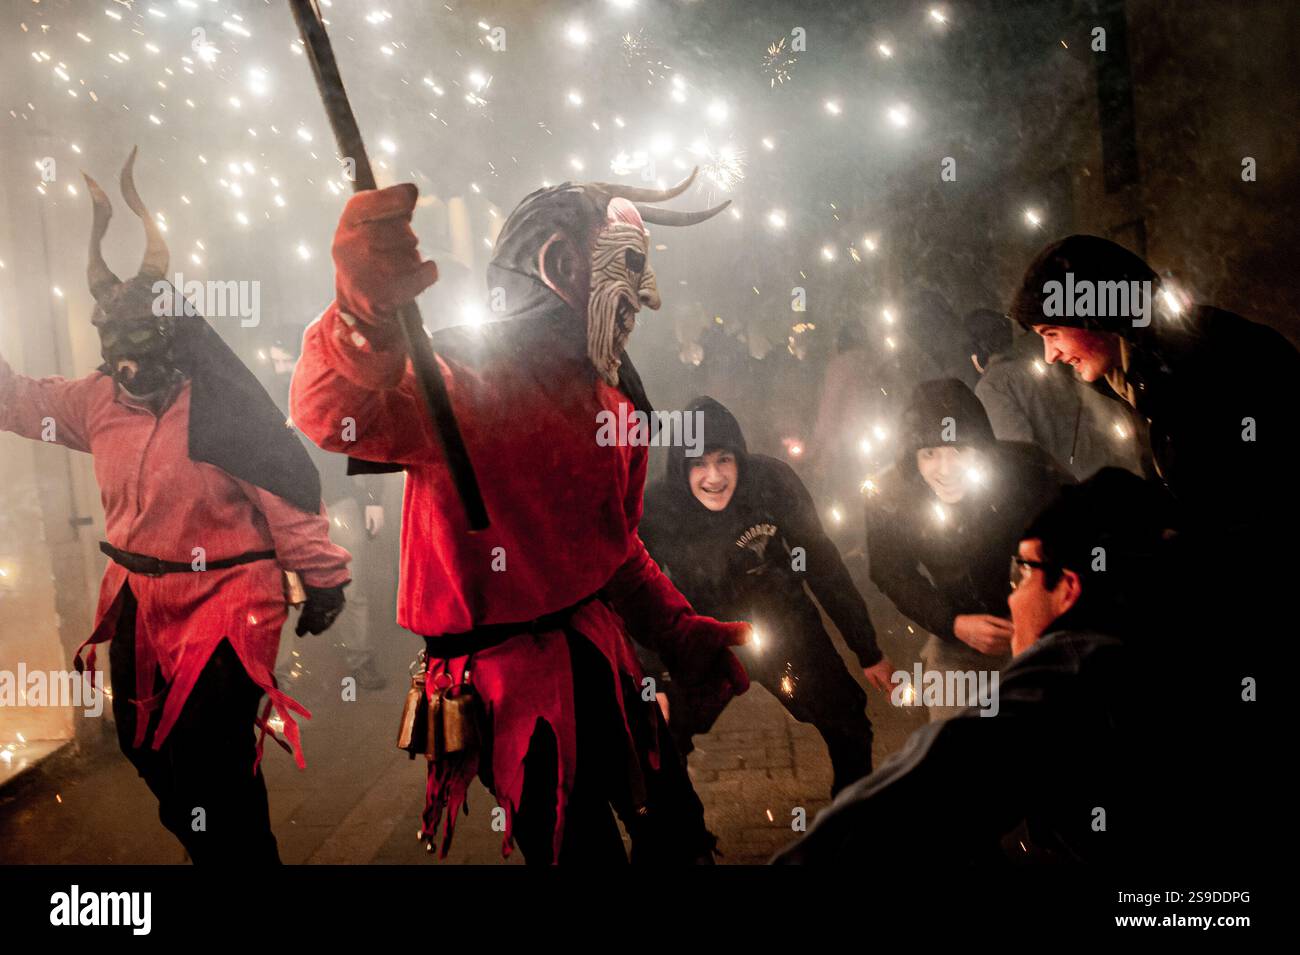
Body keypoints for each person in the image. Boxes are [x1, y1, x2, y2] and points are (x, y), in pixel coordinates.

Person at [290, 170, 750, 864]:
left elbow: (617, 550)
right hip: (509, 690)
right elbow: (329, 412)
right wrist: (360, 314)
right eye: (628, 270)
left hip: (603, 657)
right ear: (564, 266)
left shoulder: (616, 399)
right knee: (577, 851)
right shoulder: (457, 380)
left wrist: (677, 630)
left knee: (680, 834)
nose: (645, 298)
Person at [0, 150, 350, 863]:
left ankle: (243, 859)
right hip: (138, 593)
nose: (126, 358)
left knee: (210, 752)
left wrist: (323, 576)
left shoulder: (220, 403)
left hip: (230, 594)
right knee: (143, 744)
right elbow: (22, 401)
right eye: (112, 340)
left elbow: (280, 487)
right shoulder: (97, 401)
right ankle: (219, 849)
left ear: (171, 330)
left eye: (140, 337)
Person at [774, 468, 1254, 866]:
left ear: (1068, 588)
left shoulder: (1074, 665)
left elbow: (936, 780)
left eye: (1023, 572)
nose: (1012, 593)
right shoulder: (1183, 628)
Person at [639, 396, 892, 796]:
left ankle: (850, 824)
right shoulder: (659, 506)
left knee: (849, 720)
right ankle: (681, 840)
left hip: (784, 623)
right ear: (681, 468)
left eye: (724, 459)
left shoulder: (773, 483)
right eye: (699, 464)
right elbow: (640, 594)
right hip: (705, 635)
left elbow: (822, 562)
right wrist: (651, 680)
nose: (714, 476)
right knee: (657, 734)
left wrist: (868, 649)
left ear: (740, 457)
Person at [1011, 233, 1299, 541]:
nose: (1049, 355)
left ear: (1094, 315)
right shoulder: (1135, 375)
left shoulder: (1210, 361)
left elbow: (1246, 505)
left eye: (1052, 333)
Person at [864, 379, 1070, 719]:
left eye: (959, 450)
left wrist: (1041, 612)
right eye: (930, 453)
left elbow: (1082, 538)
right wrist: (953, 623)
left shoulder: (1028, 471)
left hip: (1046, 630)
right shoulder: (891, 494)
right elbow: (890, 571)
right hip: (962, 639)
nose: (946, 469)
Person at [967, 308, 1145, 481]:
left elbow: (1022, 457)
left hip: (1082, 487)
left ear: (976, 352)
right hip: (1118, 464)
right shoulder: (1042, 363)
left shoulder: (991, 388)